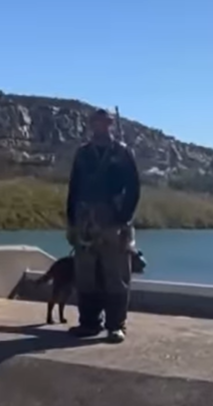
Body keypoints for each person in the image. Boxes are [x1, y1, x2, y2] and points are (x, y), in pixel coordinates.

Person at [66, 108, 141, 343]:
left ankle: (116, 325)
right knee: (86, 274)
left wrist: (123, 218)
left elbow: (133, 189)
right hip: (85, 219)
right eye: (96, 122)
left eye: (104, 122)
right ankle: (88, 323)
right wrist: (71, 222)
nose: (100, 126)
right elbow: (73, 188)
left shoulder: (122, 152)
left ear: (111, 124)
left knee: (116, 273)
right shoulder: (83, 153)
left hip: (113, 220)